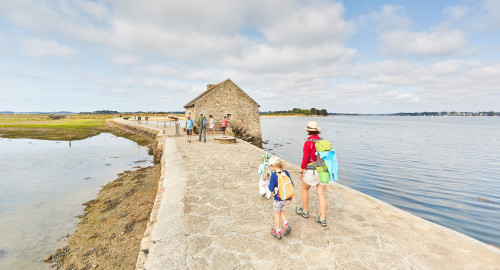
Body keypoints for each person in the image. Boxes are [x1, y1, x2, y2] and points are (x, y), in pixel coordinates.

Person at [296, 121, 328, 227]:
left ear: (308, 131)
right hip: (323, 170)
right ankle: (322, 219)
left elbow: (305, 158)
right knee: (321, 195)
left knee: (305, 189)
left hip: (312, 170)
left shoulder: (308, 143)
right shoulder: (323, 141)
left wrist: (301, 171)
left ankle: (305, 211)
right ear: (317, 131)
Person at [268, 156, 294, 240]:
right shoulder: (285, 172)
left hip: (278, 198)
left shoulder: (273, 175)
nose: (269, 167)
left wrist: (270, 182)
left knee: (276, 213)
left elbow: (271, 188)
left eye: (270, 166)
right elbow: (291, 184)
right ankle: (286, 224)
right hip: (285, 197)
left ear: (274, 166)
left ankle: (278, 231)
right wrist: (290, 195)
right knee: (280, 210)